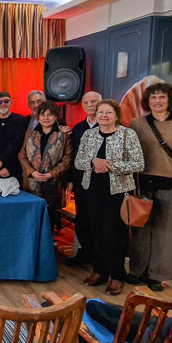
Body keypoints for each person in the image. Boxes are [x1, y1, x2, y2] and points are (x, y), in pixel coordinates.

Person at [128, 82, 172, 291]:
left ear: (170, 100)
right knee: (140, 231)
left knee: (167, 232)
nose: (157, 101)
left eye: (162, 97)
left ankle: (159, 275)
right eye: (153, 97)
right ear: (147, 101)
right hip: (143, 184)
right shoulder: (137, 124)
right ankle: (137, 270)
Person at [74, 99, 144, 295]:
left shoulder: (127, 134)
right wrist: (94, 161)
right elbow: (79, 161)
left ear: (116, 115)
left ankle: (117, 276)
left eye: (108, 112)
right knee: (96, 233)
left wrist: (110, 165)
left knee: (114, 235)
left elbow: (139, 164)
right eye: (100, 112)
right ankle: (99, 271)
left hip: (119, 192)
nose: (104, 116)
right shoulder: (89, 134)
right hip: (93, 190)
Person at [18, 101, 73, 228]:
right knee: (32, 217)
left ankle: (49, 243)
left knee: (51, 216)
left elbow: (67, 159)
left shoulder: (64, 135)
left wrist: (51, 174)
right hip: (31, 181)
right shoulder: (30, 133)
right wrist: (31, 171)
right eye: (43, 115)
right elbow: (22, 154)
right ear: (38, 117)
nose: (46, 118)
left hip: (54, 183)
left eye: (50, 115)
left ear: (56, 117)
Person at [66, 91, 102, 266]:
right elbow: (74, 156)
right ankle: (85, 254)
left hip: (101, 183)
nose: (90, 105)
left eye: (93, 101)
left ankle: (99, 260)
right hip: (81, 182)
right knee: (82, 219)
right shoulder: (79, 127)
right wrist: (71, 180)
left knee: (98, 221)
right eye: (86, 102)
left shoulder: (110, 127)